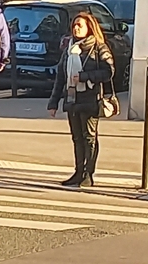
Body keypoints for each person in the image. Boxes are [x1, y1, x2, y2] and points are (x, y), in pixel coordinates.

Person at [49, 11, 117, 187]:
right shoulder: (70, 49)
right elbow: (61, 77)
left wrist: (85, 76)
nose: (76, 28)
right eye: (74, 25)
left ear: (89, 28)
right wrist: (54, 102)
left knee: (89, 137)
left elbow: (109, 71)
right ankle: (78, 172)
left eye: (80, 25)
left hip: (90, 98)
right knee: (77, 138)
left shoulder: (98, 47)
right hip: (72, 99)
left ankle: (88, 173)